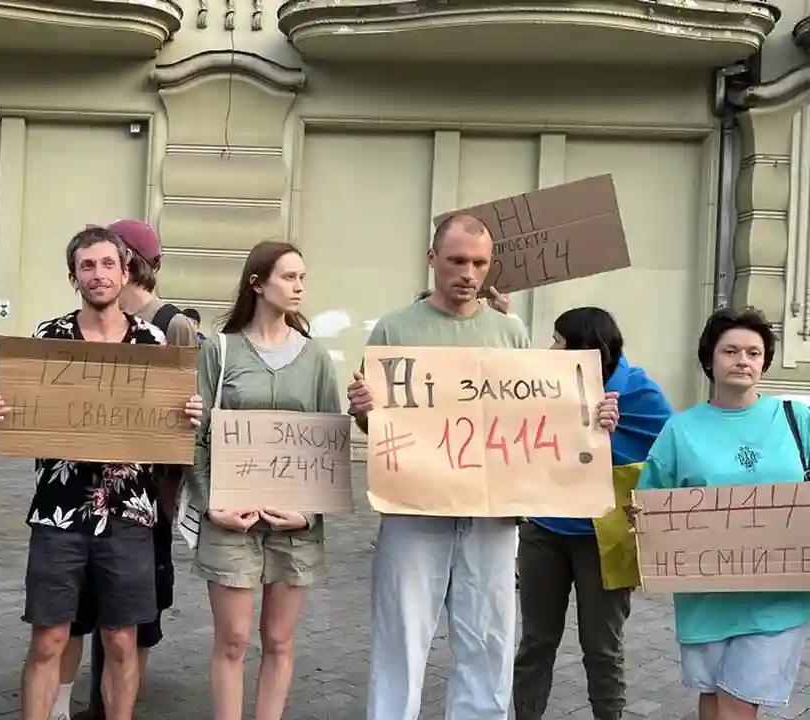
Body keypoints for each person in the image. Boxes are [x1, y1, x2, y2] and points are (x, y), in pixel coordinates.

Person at [345, 214, 620, 720]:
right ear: (432, 259)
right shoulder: (394, 328)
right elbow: (375, 423)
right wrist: (364, 411)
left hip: (492, 513)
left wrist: (592, 418)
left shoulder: (509, 331)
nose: (468, 273)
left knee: (488, 641)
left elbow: (538, 418)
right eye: (456, 261)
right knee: (401, 638)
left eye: (479, 262)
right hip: (414, 507)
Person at [2, 226, 202, 720]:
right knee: (49, 637)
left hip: (130, 512)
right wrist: (9, 412)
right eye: (87, 265)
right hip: (58, 510)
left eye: (108, 264)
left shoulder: (152, 341)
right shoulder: (49, 338)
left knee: (121, 640)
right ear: (74, 277)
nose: (98, 274)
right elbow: (28, 412)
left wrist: (187, 413)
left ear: (126, 271)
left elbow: (167, 418)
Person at [635, 307, 810, 720]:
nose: (742, 360)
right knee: (713, 700)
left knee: (735, 704)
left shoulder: (797, 419)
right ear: (709, 359)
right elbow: (649, 503)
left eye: (753, 352)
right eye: (731, 351)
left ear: (764, 362)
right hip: (707, 600)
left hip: (779, 600)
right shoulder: (680, 430)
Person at [192, 241, 339, 720]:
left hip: (293, 523)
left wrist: (309, 513)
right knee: (232, 639)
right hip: (231, 517)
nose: (299, 287)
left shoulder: (316, 359)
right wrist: (211, 505)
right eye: (288, 277)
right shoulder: (220, 350)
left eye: (302, 278)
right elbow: (196, 437)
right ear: (257, 283)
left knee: (278, 639)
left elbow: (329, 444)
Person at [513, 307, 673, 720]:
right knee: (536, 642)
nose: (551, 349)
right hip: (545, 530)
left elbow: (670, 454)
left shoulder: (640, 391)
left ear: (585, 347)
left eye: (558, 341)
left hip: (606, 537)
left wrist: (609, 437)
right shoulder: (548, 384)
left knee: (602, 647)